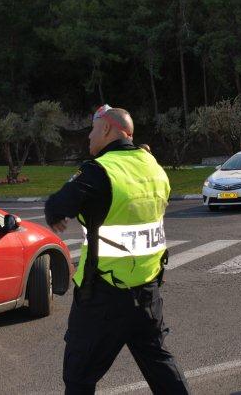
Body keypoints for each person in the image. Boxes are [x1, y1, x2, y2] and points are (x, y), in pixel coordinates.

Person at [45, 104, 189, 395]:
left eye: (93, 129)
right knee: (160, 366)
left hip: (103, 295)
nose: (88, 136)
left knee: (79, 377)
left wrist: (54, 214)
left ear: (108, 129)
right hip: (148, 289)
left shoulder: (99, 171)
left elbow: (57, 205)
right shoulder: (154, 168)